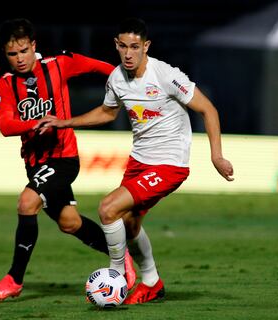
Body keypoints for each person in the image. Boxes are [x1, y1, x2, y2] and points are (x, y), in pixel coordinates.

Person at [35, 17, 234, 304]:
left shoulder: (165, 74)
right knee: (128, 226)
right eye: (123, 46)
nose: (128, 53)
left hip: (169, 164)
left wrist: (216, 155)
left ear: (146, 46)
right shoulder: (117, 78)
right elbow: (107, 112)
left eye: (135, 47)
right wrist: (64, 122)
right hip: (139, 160)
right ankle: (151, 282)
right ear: (116, 45)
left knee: (107, 208)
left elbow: (208, 109)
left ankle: (117, 275)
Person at [0, 18, 136, 301]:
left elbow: (101, 67)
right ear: (5, 54)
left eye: (24, 51)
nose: (19, 59)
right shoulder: (3, 85)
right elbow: (5, 125)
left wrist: (129, 81)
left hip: (63, 158)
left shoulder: (58, 65)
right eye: (12, 54)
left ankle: (14, 280)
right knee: (70, 223)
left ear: (34, 46)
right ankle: (122, 253)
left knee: (26, 202)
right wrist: (34, 124)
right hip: (35, 164)